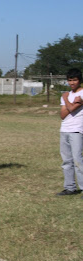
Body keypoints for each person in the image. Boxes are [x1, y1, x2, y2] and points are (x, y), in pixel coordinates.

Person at [56, 68, 83, 197]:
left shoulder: (81, 93)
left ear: (80, 80)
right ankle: (70, 187)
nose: (72, 83)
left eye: (75, 80)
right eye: (70, 80)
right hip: (64, 129)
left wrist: (66, 99)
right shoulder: (69, 95)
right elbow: (63, 114)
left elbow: (71, 108)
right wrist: (69, 102)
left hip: (77, 130)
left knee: (78, 161)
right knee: (66, 161)